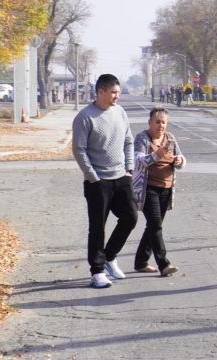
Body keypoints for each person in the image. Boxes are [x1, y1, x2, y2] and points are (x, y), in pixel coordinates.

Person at [71, 73, 137, 289]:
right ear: (101, 92)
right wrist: (93, 177)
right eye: (114, 92)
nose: (117, 96)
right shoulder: (85, 117)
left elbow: (128, 141)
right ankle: (97, 271)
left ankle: (109, 256)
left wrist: (129, 168)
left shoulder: (120, 112)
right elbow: (79, 150)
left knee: (130, 217)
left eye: (118, 92)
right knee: (97, 227)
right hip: (98, 182)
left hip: (121, 177)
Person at [131, 107, 186, 277]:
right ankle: (164, 264)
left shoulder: (170, 138)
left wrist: (179, 161)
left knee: (153, 226)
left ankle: (140, 262)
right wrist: (157, 154)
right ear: (150, 123)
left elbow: (181, 158)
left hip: (166, 189)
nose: (160, 125)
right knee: (155, 225)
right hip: (148, 189)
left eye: (163, 122)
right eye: (157, 122)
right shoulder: (142, 138)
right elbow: (138, 160)